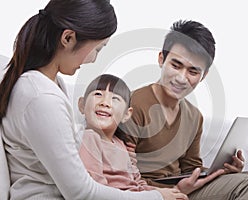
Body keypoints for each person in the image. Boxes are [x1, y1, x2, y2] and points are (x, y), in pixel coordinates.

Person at [0, 0, 186, 199]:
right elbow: (81, 192)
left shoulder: (51, 86)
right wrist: (157, 197)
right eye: (97, 49)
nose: (93, 59)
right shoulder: (42, 97)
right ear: (68, 38)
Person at [121, 19, 248, 200]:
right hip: (153, 193)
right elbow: (119, 175)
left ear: (203, 75)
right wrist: (174, 190)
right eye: (176, 65)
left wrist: (222, 172)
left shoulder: (193, 116)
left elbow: (191, 168)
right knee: (247, 185)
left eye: (193, 71)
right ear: (161, 59)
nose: (181, 78)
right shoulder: (131, 105)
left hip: (181, 187)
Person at [77, 74, 187, 200]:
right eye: (98, 94)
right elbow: (96, 188)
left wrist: (162, 192)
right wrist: (158, 196)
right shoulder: (89, 138)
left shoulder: (122, 145)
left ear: (126, 115)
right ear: (82, 105)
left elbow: (137, 184)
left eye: (115, 99)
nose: (105, 103)